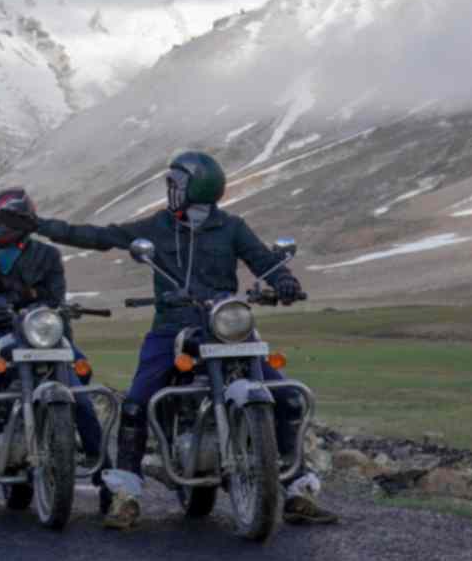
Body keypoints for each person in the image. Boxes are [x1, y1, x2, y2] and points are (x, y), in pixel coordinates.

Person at [18, 150, 334, 527]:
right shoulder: (158, 226)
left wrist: (284, 280)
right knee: (136, 402)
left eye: (174, 184)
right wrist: (41, 226)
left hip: (227, 327)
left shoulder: (232, 227)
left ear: (191, 188)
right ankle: (125, 495)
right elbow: (103, 237)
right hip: (173, 328)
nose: (170, 190)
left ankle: (297, 489)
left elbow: (262, 260)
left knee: (286, 396)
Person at [0, 188, 105, 521]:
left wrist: (23, 301)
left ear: (21, 222)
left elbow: (54, 298)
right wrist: (22, 300)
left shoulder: (48, 255)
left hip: (47, 338)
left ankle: (110, 488)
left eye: (0, 224)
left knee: (83, 401)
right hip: (1, 336)